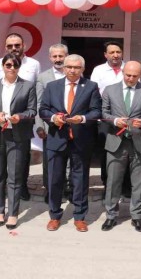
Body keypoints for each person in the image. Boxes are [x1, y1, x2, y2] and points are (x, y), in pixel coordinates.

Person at [39, 54, 101, 232]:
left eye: (76, 67)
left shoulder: (90, 86)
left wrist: (82, 118)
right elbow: (43, 109)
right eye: (69, 67)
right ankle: (54, 216)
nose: (72, 70)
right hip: (56, 139)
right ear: (64, 68)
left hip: (81, 139)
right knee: (55, 179)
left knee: (80, 179)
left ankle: (80, 217)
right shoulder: (52, 86)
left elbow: (96, 111)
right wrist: (53, 118)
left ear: (83, 69)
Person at [0, 53, 37, 229]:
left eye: (15, 65)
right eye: (8, 65)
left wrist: (20, 116)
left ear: (19, 67)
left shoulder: (27, 86)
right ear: (3, 67)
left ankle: (13, 213)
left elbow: (32, 110)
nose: (12, 68)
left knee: (14, 176)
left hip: (17, 135)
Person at [100, 61, 141, 233]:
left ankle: (137, 216)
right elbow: (103, 112)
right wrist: (115, 120)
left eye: (134, 76)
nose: (131, 78)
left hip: (139, 141)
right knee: (113, 181)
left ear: (140, 75)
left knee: (138, 182)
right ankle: (111, 215)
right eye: (128, 75)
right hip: (116, 141)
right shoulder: (110, 90)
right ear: (123, 72)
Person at [0, 32, 41, 199]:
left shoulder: (34, 64)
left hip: (23, 118)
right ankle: (2, 189)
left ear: (23, 45)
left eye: (17, 45)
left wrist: (28, 115)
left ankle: (21, 187)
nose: (14, 48)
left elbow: (37, 89)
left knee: (22, 157)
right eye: (10, 46)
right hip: (0, 120)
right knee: (1, 157)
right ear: (5, 47)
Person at [89, 41, 130, 198]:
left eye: (118, 52)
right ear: (105, 55)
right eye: (112, 52)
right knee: (107, 153)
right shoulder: (99, 70)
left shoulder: (129, 68)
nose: (115, 55)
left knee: (127, 152)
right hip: (106, 118)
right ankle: (108, 186)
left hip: (126, 118)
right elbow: (94, 93)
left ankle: (126, 186)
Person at [35, 44, 70, 201]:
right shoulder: (43, 77)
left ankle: (67, 188)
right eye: (54, 56)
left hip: (70, 125)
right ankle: (50, 190)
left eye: (61, 56)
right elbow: (39, 103)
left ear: (66, 56)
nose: (58, 59)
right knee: (50, 160)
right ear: (50, 58)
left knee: (68, 160)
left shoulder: (73, 74)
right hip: (50, 125)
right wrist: (39, 126)